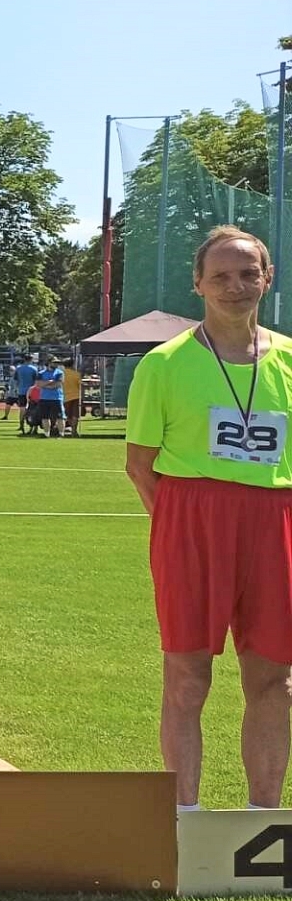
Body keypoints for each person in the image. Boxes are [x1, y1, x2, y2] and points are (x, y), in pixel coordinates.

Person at [124, 226, 291, 811]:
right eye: (220, 276)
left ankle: (262, 819)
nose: (234, 286)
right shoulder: (164, 364)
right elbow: (140, 465)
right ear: (198, 284)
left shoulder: (290, 360)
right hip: (192, 521)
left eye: (248, 274)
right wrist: (182, 528)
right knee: (187, 677)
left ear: (267, 279)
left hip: (274, 522)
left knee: (275, 680)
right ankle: (184, 816)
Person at [37, 355, 66, 438]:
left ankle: (61, 434)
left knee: (60, 417)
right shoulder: (41, 373)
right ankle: (46, 434)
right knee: (45, 417)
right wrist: (50, 381)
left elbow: (57, 385)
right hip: (44, 398)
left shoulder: (60, 373)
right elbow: (38, 384)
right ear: (49, 363)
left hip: (56, 398)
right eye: (54, 362)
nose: (56, 364)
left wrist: (45, 384)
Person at [12, 355, 39, 433]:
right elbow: (36, 381)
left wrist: (16, 389)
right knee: (34, 410)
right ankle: (34, 427)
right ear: (31, 360)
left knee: (22, 409)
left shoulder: (18, 368)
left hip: (21, 391)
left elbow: (16, 380)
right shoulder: (34, 369)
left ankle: (21, 425)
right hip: (31, 392)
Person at [63, 358, 82, 436]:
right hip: (76, 396)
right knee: (75, 415)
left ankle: (71, 429)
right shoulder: (76, 374)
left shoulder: (61, 374)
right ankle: (74, 431)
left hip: (65, 397)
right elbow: (80, 385)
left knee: (68, 415)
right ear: (72, 365)